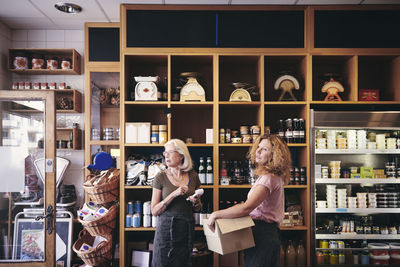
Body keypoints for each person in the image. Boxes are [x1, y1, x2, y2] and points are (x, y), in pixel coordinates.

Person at [207, 134, 291, 267]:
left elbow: (247, 208)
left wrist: (215, 214)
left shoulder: (268, 178)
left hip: (263, 235)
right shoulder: (271, 177)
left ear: (274, 155)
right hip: (264, 234)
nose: (257, 151)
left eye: (264, 149)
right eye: (258, 147)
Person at [151, 139, 202, 267]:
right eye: (165, 153)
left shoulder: (193, 176)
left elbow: (198, 208)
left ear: (181, 155)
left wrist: (195, 202)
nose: (166, 156)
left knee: (184, 263)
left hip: (186, 228)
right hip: (165, 230)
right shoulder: (160, 177)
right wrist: (173, 194)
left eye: (170, 152)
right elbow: (154, 211)